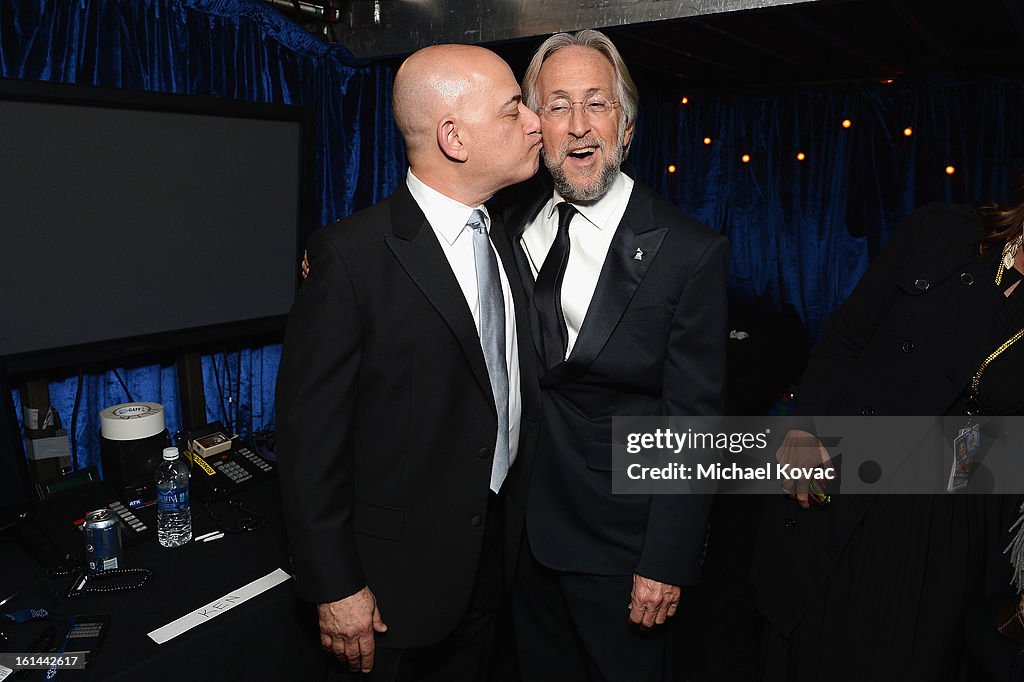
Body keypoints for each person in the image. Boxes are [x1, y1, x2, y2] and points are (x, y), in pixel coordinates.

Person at [275, 44, 542, 681]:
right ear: (453, 136)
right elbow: (309, 442)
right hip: (388, 590)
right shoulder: (350, 259)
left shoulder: (502, 235)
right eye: (513, 111)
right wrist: (335, 587)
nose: (535, 122)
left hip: (489, 562)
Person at [503, 30, 728, 682]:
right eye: (558, 104)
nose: (579, 125)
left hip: (623, 549)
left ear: (625, 127)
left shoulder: (689, 251)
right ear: (532, 125)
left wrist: (667, 559)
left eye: (597, 104)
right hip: (521, 539)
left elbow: (696, 420)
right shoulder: (509, 226)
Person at [752, 196, 1024, 680]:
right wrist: (803, 425)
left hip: (951, 526)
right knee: (812, 644)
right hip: (847, 487)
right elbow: (847, 338)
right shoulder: (943, 231)